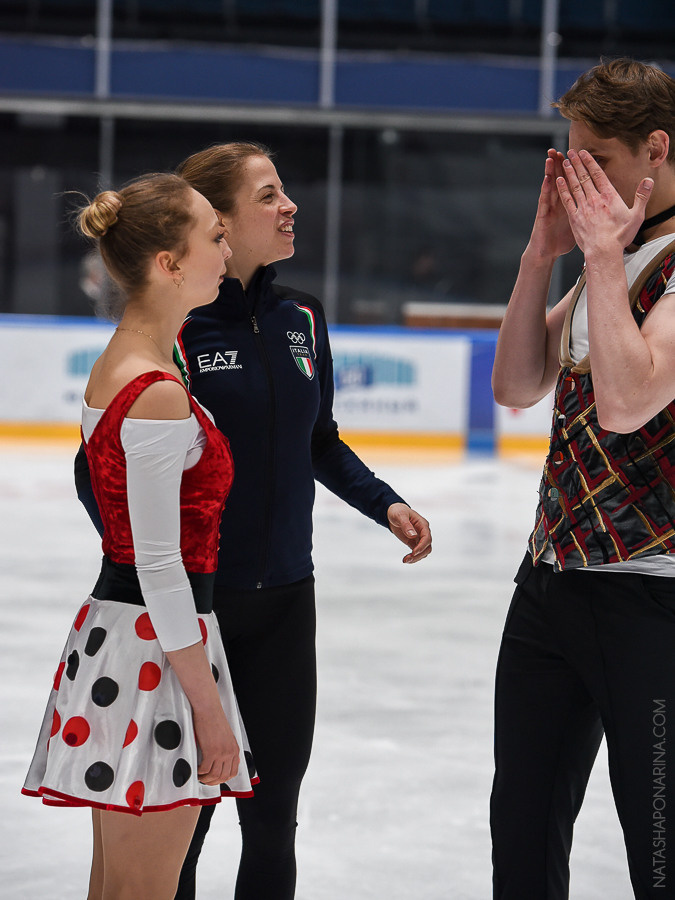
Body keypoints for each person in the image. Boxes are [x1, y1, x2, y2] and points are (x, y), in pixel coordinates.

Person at [75, 141, 432, 899]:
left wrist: (384, 503)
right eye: (267, 195)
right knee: (185, 821)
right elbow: (100, 471)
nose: (289, 206)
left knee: (273, 817)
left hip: (283, 602)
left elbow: (318, 440)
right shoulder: (172, 337)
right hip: (201, 607)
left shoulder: (301, 316)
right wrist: (147, 564)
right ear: (221, 224)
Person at [23, 173, 259, 900]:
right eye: (214, 238)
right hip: (155, 650)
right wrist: (211, 716)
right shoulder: (153, 389)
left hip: (132, 640)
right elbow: (159, 565)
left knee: (119, 888)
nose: (227, 252)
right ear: (169, 263)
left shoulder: (129, 364)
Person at [491, 58, 675, 899]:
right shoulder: (614, 256)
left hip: (649, 603)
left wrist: (599, 255)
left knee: (659, 847)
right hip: (550, 586)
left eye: (593, 158)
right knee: (522, 836)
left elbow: (630, 400)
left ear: (655, 151)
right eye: (568, 157)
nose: (575, 178)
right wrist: (542, 255)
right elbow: (516, 385)